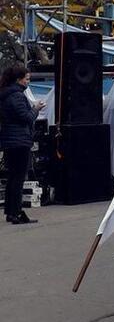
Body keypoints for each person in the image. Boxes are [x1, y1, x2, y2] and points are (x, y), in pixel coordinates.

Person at [0, 65, 44, 225]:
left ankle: (10, 211)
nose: (28, 82)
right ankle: (16, 212)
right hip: (19, 140)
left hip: (9, 140)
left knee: (12, 177)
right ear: (19, 79)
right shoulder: (17, 96)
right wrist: (36, 109)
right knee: (18, 178)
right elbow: (25, 117)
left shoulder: (5, 95)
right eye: (27, 79)